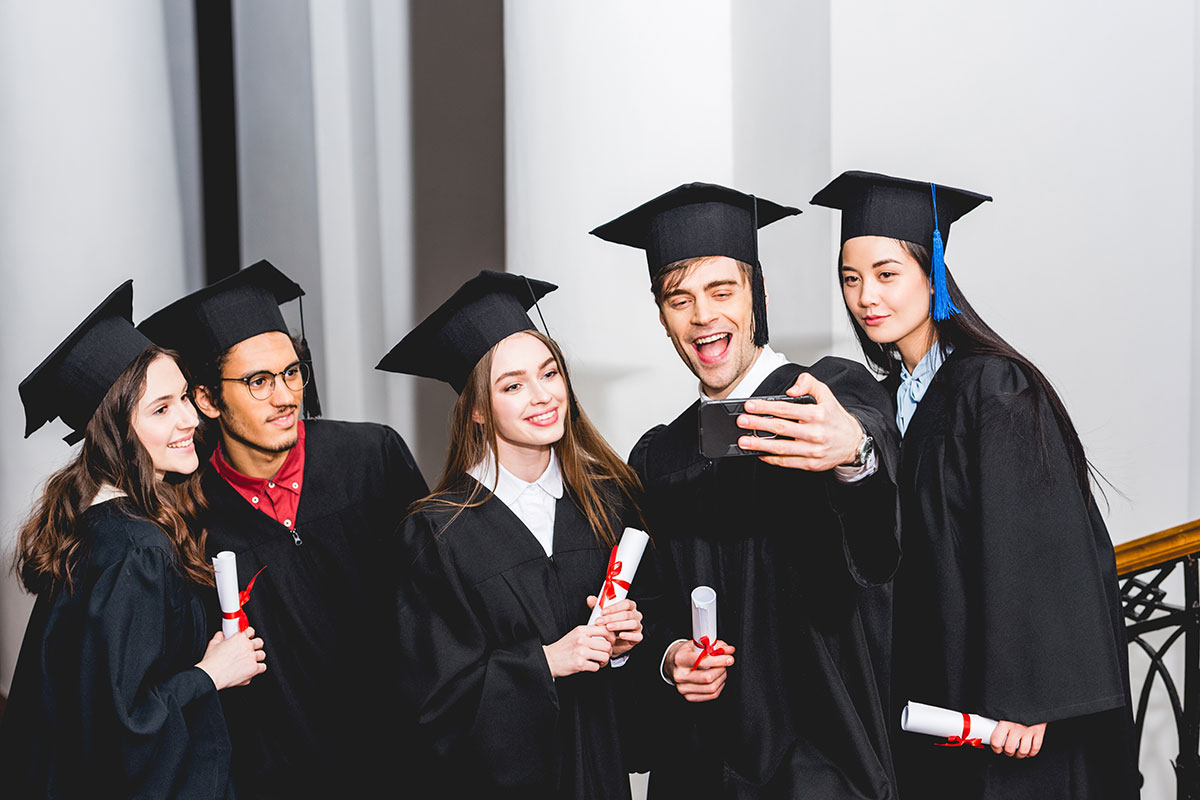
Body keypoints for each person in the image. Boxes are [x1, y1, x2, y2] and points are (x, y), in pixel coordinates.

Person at [811, 170, 1139, 799]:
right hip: (929, 694)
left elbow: (1035, 545)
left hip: (1005, 709)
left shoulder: (991, 387)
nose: (866, 297)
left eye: (887, 274)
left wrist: (1027, 694)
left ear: (932, 271)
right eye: (851, 279)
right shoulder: (881, 403)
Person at [590, 183, 901, 798]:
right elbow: (645, 606)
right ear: (662, 316)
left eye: (720, 290)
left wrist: (852, 454)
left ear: (756, 293)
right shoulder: (658, 456)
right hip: (703, 769)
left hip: (825, 760)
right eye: (679, 299)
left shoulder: (829, 394)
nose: (702, 315)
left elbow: (883, 537)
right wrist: (670, 654)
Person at [137, 261, 429, 798]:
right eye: (258, 381)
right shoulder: (185, 511)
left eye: (293, 373)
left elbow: (438, 604)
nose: (285, 396)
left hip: (400, 761)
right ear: (206, 400)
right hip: (270, 776)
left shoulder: (372, 458)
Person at [376, 270, 650, 799]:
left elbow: (641, 697)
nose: (543, 396)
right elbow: (433, 705)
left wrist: (623, 647)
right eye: (513, 385)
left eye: (549, 373)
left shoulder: (607, 502)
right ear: (478, 409)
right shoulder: (436, 533)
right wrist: (546, 662)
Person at [0, 281, 265, 799]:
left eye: (185, 396)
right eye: (161, 409)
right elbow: (123, 725)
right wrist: (211, 673)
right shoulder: (135, 549)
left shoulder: (93, 528)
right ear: (117, 433)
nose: (190, 417)